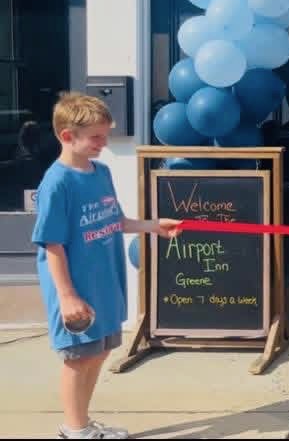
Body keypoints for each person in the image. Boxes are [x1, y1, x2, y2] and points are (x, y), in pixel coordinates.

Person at [32, 92, 181, 439]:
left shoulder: (101, 172)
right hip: (76, 289)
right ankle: (73, 429)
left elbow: (116, 220)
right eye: (97, 137)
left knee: (98, 354)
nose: (104, 143)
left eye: (105, 134)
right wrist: (67, 297)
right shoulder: (57, 183)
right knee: (77, 360)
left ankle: (81, 423)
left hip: (105, 283)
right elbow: (51, 243)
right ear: (68, 136)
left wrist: (153, 226)